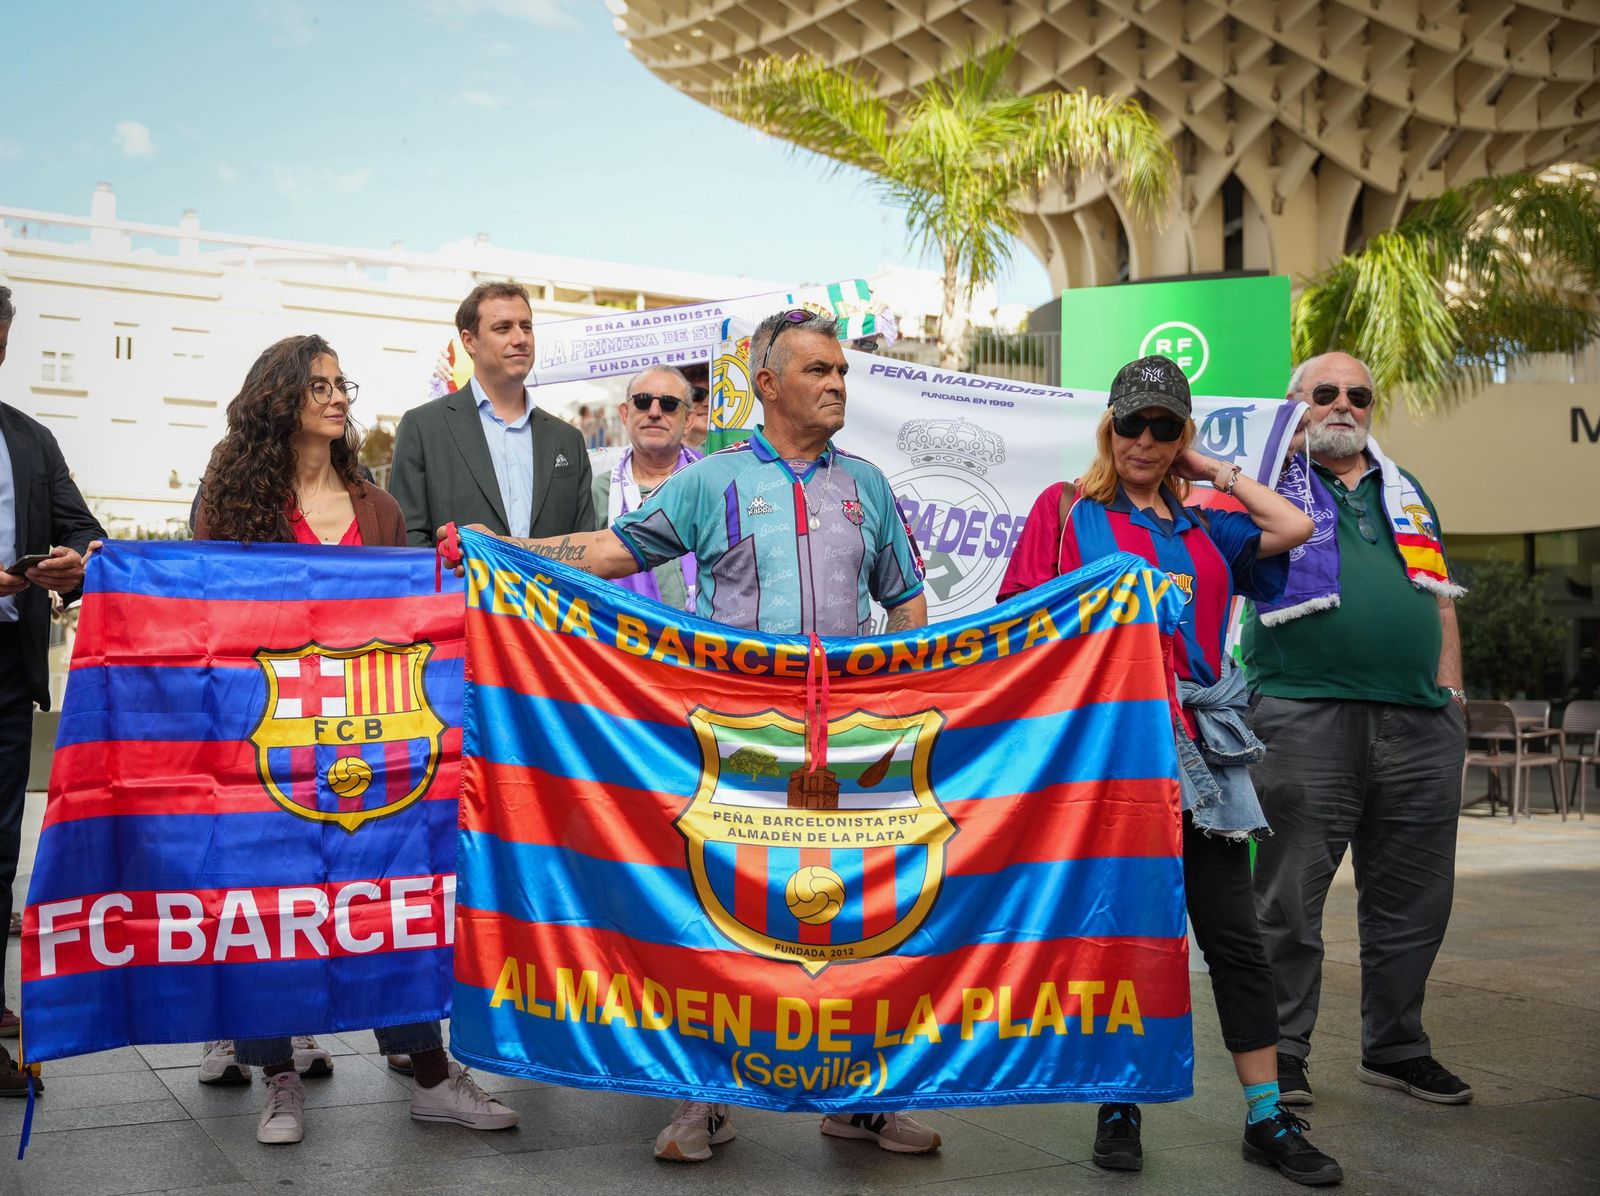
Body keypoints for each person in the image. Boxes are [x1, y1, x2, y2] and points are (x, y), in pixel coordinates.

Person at [442, 308, 935, 1161]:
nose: (836, 387)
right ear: (769, 385)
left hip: (848, 747)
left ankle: (864, 1100)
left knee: (857, 920)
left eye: (842, 373)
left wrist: (896, 696)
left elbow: (907, 599)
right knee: (724, 917)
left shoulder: (869, 486)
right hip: (739, 743)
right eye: (819, 372)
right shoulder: (712, 482)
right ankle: (700, 1100)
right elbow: (609, 552)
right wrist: (506, 546)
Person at [997, 355, 1342, 1187]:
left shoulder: (1209, 526)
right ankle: (1122, 1100)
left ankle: (1267, 1115)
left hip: (1205, 752)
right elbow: (1016, 619)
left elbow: (1293, 528)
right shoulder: (1066, 509)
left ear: (1181, 437)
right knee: (1121, 935)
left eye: (1162, 427)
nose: (1143, 441)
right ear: (1107, 427)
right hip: (1112, 748)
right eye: (1131, 424)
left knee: (1234, 933)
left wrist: (1211, 470)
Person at [193, 334, 519, 1144]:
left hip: (371, 740)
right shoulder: (231, 502)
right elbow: (203, 607)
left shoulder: (377, 509)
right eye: (320, 386)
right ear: (280, 401)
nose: (339, 399)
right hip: (266, 739)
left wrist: (452, 571)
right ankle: (279, 1079)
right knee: (267, 905)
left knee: (384, 899)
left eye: (343, 384)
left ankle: (432, 1078)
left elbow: (406, 624)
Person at [1243, 351, 1472, 1109]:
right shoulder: (1266, 485)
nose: (1344, 404)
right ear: (1293, 404)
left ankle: (1397, 1046)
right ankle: (1281, 1053)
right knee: (1287, 900)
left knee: (1414, 899)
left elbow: (1440, 599)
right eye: (1326, 392)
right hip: (1304, 713)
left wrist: (1452, 696)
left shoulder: (1407, 492)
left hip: (1419, 722)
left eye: (1360, 395)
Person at [0, 285, 106, 1097]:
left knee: (1, 850)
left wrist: (78, 560)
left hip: (9, 668)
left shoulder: (30, 439)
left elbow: (81, 527)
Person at [390, 282, 592, 548]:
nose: (520, 338)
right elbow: (409, 539)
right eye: (503, 328)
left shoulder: (568, 440)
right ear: (469, 341)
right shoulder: (423, 428)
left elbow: (585, 546)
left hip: (549, 591)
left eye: (526, 326)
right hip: (461, 589)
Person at [590, 365, 703, 610]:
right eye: (642, 401)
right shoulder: (600, 491)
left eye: (669, 404)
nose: (654, 412)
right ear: (624, 413)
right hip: (625, 637)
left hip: (709, 640)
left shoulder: (712, 480)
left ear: (689, 420)